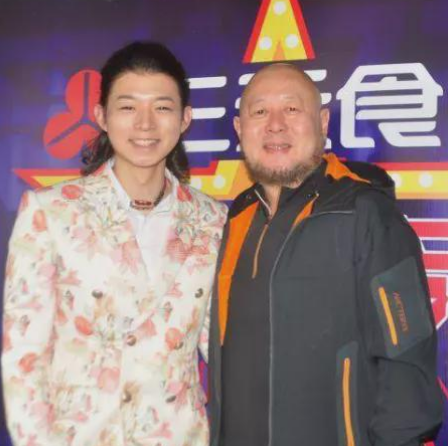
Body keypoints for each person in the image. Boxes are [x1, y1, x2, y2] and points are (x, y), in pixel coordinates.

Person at [2, 41, 227, 446]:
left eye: (162, 107)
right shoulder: (50, 212)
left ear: (185, 118)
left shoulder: (213, 220)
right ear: (101, 116)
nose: (145, 124)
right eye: (127, 107)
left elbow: (223, 347)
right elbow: (23, 357)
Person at [208, 63, 443, 446]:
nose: (275, 125)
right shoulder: (237, 217)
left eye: (292, 108)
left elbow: (407, 368)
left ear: (322, 121)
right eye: (260, 111)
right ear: (239, 128)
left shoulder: (366, 213)